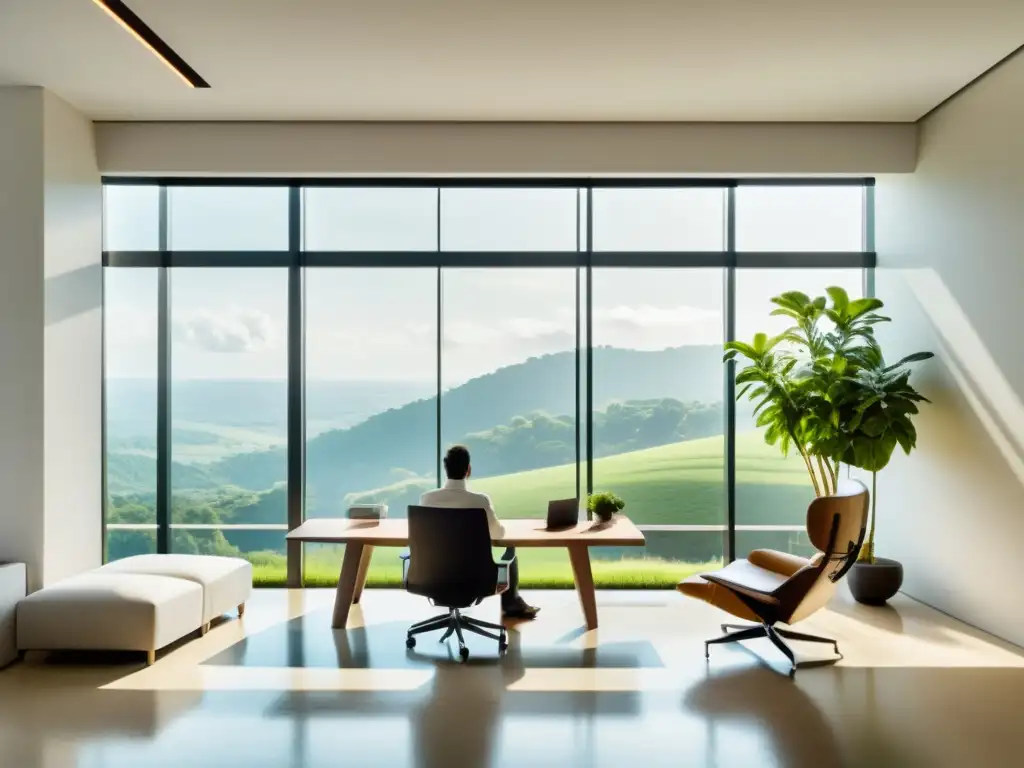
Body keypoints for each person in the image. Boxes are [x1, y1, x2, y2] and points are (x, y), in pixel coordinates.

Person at [420, 445, 540, 620]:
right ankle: (511, 603)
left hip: (432, 580)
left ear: (445, 468)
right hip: (477, 581)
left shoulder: (426, 499)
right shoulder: (480, 501)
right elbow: (498, 535)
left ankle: (513, 603)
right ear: (468, 470)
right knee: (510, 549)